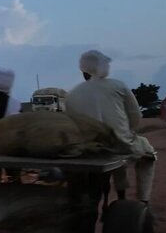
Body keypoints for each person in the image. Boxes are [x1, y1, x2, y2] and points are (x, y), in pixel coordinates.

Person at [65, 50, 156, 204]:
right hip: (118, 144)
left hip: (88, 146)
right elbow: (135, 116)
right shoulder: (118, 85)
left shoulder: (72, 93)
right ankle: (144, 200)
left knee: (119, 149)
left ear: (83, 70)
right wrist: (127, 130)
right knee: (149, 156)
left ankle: (121, 194)